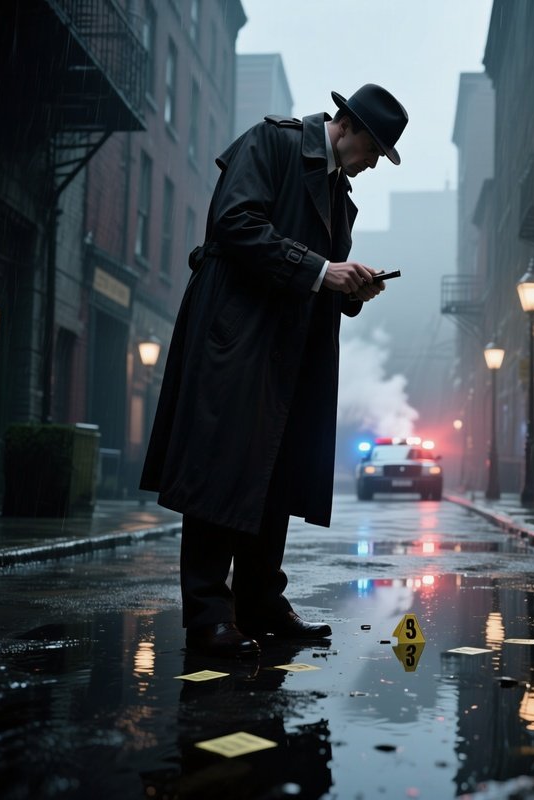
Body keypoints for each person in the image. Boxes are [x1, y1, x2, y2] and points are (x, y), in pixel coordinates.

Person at [140, 84, 408, 658]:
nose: (372, 165)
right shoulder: (272, 141)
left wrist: (354, 287)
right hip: (237, 336)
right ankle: (208, 616)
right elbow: (234, 222)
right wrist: (322, 271)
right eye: (375, 150)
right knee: (221, 467)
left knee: (273, 473)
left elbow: (325, 280)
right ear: (349, 126)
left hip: (290, 349)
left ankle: (260, 602)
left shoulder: (343, 196)